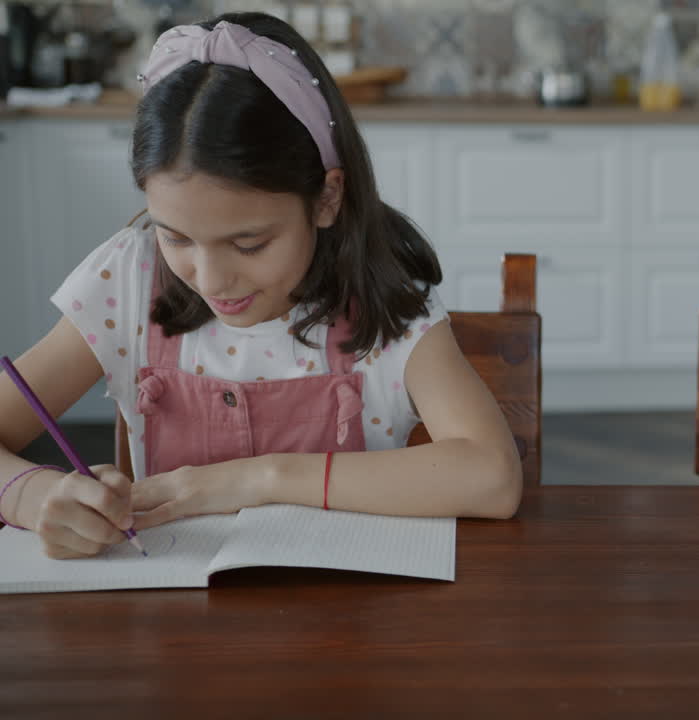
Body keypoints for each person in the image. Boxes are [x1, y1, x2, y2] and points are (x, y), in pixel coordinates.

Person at [0, 13, 522, 559]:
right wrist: (33, 497)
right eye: (176, 238)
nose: (212, 279)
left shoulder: (384, 294)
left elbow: (492, 477)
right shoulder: (130, 278)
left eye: (249, 244)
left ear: (326, 198)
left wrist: (258, 478)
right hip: (178, 632)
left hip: (349, 629)